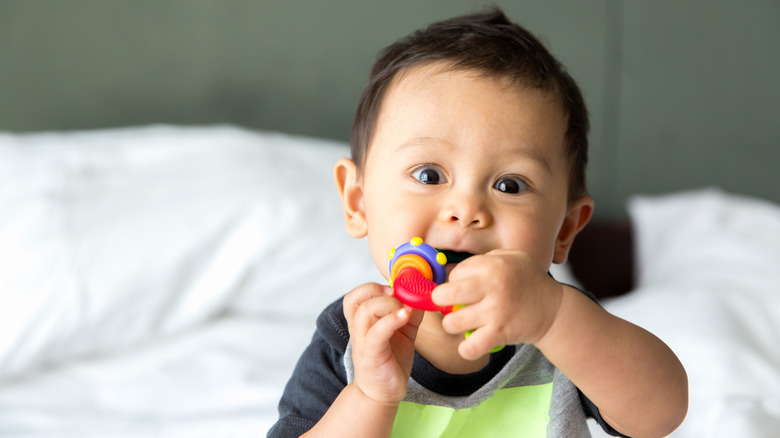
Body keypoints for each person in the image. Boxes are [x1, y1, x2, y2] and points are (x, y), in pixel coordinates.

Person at [269, 7, 687, 438]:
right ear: (358, 201)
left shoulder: (560, 326)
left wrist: (552, 317)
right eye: (429, 175)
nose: (465, 209)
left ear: (564, 230)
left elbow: (660, 415)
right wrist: (370, 397)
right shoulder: (353, 338)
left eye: (510, 185)